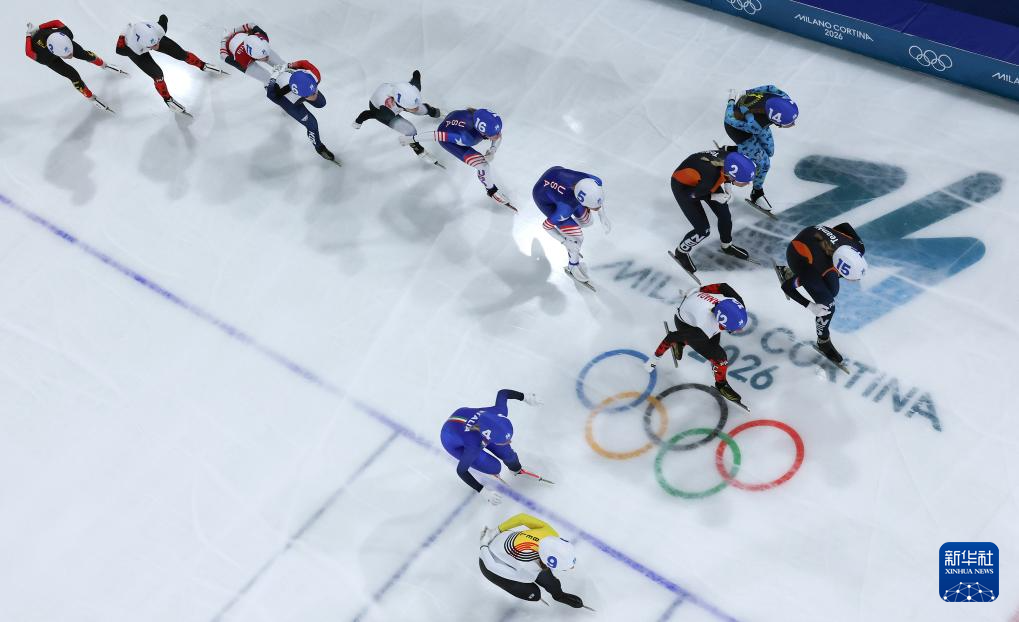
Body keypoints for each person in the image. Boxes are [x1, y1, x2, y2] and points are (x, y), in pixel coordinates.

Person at [774, 223, 867, 364]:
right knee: (828, 305)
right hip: (797, 253)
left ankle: (798, 275)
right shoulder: (818, 267)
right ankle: (823, 341)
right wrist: (810, 305)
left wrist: (830, 236)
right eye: (851, 278)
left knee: (833, 290)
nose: (854, 282)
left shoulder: (858, 246)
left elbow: (845, 226)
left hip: (814, 236)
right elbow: (786, 287)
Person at [645, 283, 748, 405]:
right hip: (685, 324)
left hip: (694, 306)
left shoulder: (737, 301)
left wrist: (699, 289)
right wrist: (654, 359)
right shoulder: (705, 328)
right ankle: (721, 385)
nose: (740, 330)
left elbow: (723, 287)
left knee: (714, 343)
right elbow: (671, 337)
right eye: (736, 329)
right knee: (720, 358)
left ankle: (683, 340)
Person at [439, 389, 540, 505]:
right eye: (504, 441)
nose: (510, 441)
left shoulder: (499, 411)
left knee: (508, 454)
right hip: (451, 439)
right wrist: (482, 490)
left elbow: (503, 393)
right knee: (494, 467)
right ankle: (492, 472)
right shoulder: (473, 445)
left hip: (466, 417)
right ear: (488, 438)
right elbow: (461, 471)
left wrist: (525, 397)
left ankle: (516, 470)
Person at [398, 108, 511, 208]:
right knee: (483, 165)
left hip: (454, 115)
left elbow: (497, 136)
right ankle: (492, 191)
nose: (498, 135)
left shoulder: (478, 115)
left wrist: (492, 150)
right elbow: (436, 135)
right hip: (448, 138)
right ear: (481, 132)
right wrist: (410, 139)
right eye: (493, 135)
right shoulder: (466, 138)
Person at [668, 147, 756, 276]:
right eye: (744, 181)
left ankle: (727, 246)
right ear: (733, 176)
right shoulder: (710, 177)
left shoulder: (730, 158)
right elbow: (690, 196)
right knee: (703, 230)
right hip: (685, 188)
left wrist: (728, 188)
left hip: (702, 179)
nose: (748, 184)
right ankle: (681, 252)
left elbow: (726, 174)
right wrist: (713, 196)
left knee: (725, 216)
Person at [115, 14, 225, 115]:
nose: (156, 47)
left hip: (148, 37)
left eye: (157, 42)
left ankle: (202, 65)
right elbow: (118, 50)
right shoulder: (131, 47)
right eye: (152, 47)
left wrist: (159, 31)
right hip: (135, 48)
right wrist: (122, 34)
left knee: (182, 54)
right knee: (158, 75)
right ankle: (168, 100)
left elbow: (163, 17)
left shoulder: (159, 30)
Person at [479, 513, 585, 608]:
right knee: (534, 594)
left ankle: (558, 595)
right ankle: (537, 595)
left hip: (502, 538)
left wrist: (497, 530)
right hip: (489, 563)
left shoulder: (550, 533)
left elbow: (522, 517)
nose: (572, 567)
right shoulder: (528, 572)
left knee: (549, 581)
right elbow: (491, 566)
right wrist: (483, 544)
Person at [723, 85, 798, 209]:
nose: (793, 124)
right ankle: (756, 193)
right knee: (764, 163)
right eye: (787, 123)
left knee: (769, 151)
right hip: (737, 129)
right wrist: (731, 100)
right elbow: (728, 119)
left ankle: (731, 150)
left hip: (753, 118)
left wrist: (746, 91)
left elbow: (770, 87)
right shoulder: (755, 125)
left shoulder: (783, 97)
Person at [532, 167, 610, 286]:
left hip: (555, 174)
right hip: (543, 197)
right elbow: (546, 226)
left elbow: (596, 197)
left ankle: (567, 230)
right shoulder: (565, 208)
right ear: (582, 202)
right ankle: (572, 266)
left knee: (587, 221)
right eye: (594, 208)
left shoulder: (593, 181)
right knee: (577, 238)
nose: (597, 209)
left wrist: (602, 215)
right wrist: (565, 242)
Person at [25, 20, 125, 112]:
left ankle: (104, 65)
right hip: (50, 58)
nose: (71, 56)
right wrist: (28, 36)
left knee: (85, 55)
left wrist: (39, 27)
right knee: (73, 76)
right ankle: (90, 97)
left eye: (70, 52)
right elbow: (28, 52)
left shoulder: (66, 33)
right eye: (67, 56)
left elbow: (56, 22)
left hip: (53, 39)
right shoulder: (43, 57)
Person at [352, 70, 443, 166]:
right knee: (410, 130)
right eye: (413, 107)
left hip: (392, 95)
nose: (416, 108)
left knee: (423, 109)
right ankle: (419, 150)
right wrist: (359, 121)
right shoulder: (386, 113)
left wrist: (416, 76)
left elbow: (416, 76)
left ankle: (435, 112)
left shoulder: (413, 89)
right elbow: (370, 114)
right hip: (378, 108)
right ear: (402, 106)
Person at [265, 62, 338, 164]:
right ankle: (319, 147)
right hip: (291, 103)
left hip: (296, 87)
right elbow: (270, 95)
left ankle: (308, 93)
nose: (315, 95)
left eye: (315, 90)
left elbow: (304, 63)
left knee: (321, 103)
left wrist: (290, 65)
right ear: (299, 94)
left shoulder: (315, 76)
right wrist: (272, 79)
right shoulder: (286, 97)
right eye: (310, 95)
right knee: (312, 124)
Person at [219, 23, 285, 84]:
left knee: (282, 65)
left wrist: (234, 30)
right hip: (240, 55)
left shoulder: (263, 36)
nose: (267, 57)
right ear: (255, 57)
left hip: (241, 38)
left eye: (267, 55)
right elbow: (223, 56)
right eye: (265, 57)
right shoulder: (241, 60)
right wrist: (224, 40)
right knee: (267, 78)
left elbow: (251, 24)